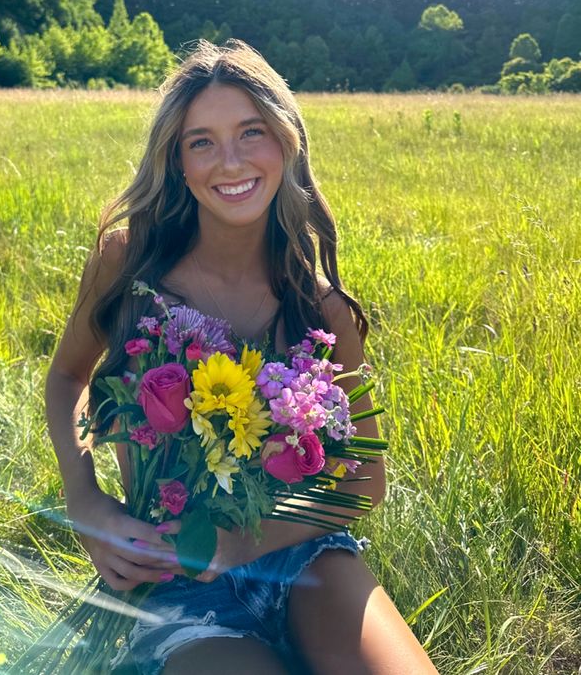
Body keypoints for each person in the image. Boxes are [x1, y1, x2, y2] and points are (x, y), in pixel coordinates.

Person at [45, 40, 439, 674]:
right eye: (201, 141)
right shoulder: (129, 266)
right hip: (172, 569)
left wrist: (238, 541)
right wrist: (85, 500)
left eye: (250, 131)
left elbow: (364, 482)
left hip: (303, 554)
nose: (229, 161)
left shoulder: (322, 312)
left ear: (286, 140)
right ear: (176, 161)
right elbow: (67, 377)